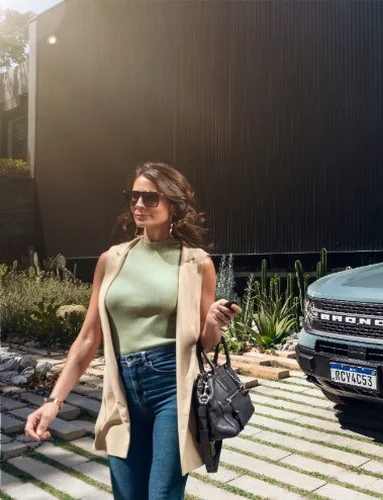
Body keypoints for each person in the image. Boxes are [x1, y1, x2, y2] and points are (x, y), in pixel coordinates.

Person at [24, 162, 240, 499]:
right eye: (134, 196)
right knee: (127, 494)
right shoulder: (111, 259)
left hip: (173, 387)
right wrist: (53, 401)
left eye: (150, 198)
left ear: (173, 205)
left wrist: (213, 322)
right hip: (120, 390)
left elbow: (205, 342)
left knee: (162, 494)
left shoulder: (196, 263)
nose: (139, 205)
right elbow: (87, 338)